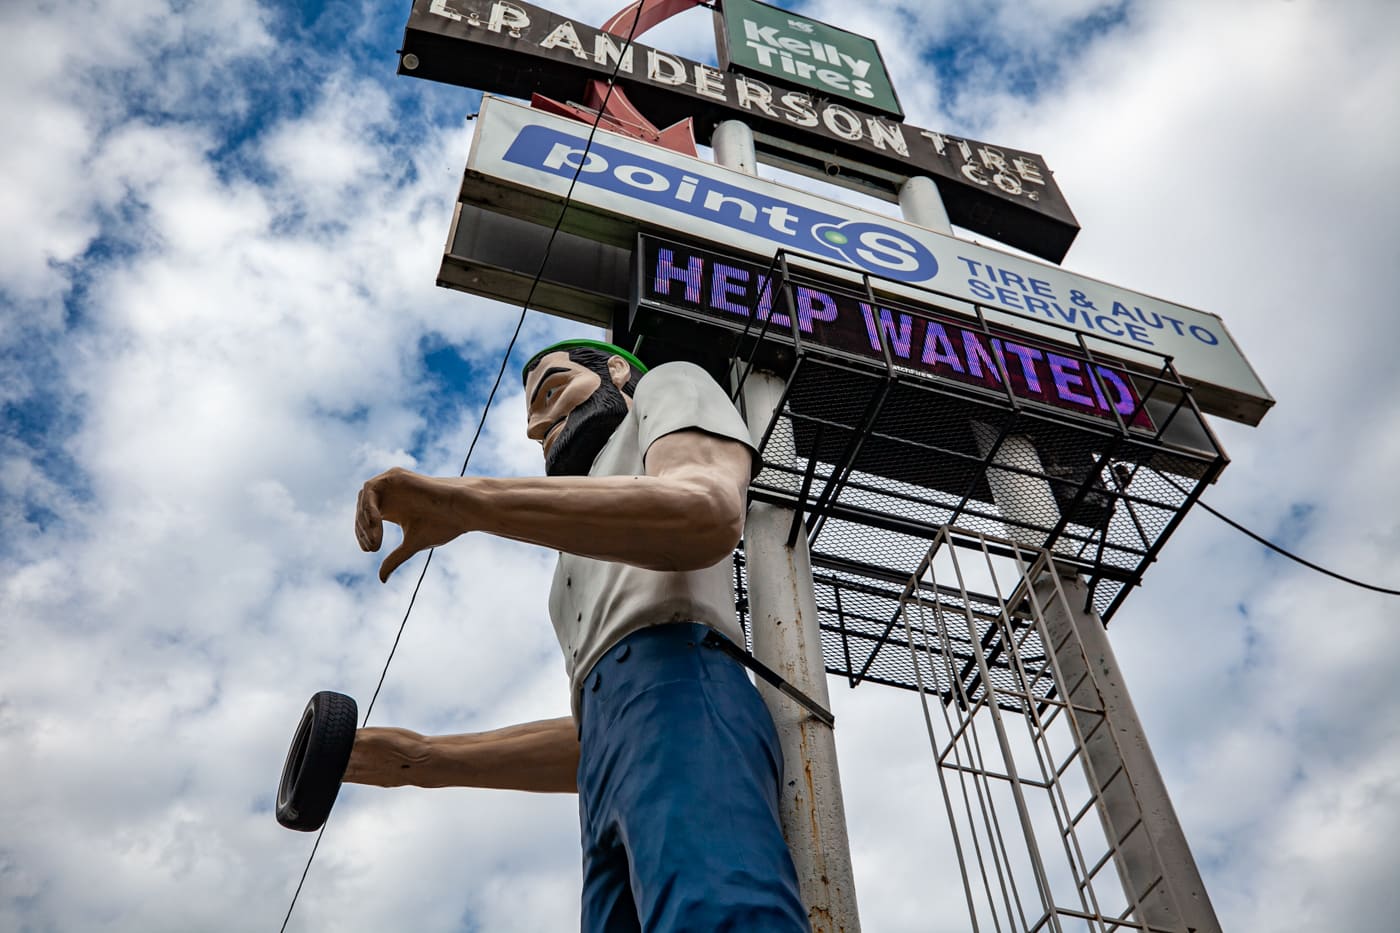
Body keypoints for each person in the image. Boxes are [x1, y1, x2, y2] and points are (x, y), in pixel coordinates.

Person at [347, 338, 809, 933]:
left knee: (716, 914)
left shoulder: (665, 384)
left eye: (551, 391)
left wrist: (470, 502)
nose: (539, 427)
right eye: (534, 428)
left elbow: (706, 510)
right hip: (611, 763)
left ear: (617, 370)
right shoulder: (575, 547)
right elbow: (604, 732)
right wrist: (425, 758)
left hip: (685, 692)